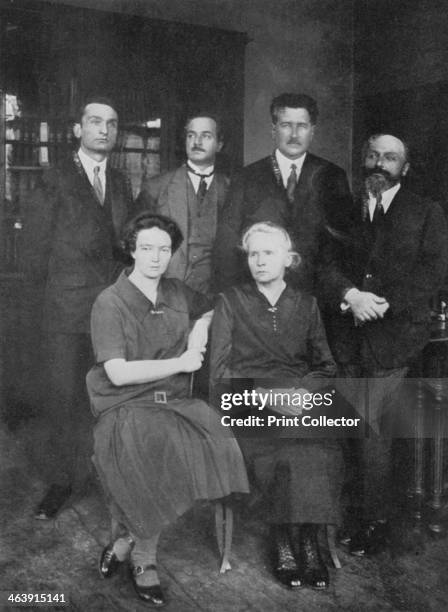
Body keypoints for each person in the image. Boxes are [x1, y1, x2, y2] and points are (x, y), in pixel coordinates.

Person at [87, 212, 249, 607]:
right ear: (131, 250)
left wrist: (201, 326)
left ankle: (126, 538)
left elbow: (216, 306)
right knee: (158, 448)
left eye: (164, 249)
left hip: (175, 402)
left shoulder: (178, 292)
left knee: (216, 445)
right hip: (125, 406)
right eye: (147, 249)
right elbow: (119, 373)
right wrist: (180, 363)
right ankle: (144, 560)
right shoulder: (109, 302)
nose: (156, 258)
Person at [327, 134, 448, 556]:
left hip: (393, 339)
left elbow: (431, 274)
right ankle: (341, 516)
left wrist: (379, 305)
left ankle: (373, 523)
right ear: (364, 160)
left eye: (391, 158)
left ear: (405, 167)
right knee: (345, 427)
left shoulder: (426, 211)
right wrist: (349, 296)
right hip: (345, 336)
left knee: (371, 429)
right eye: (374, 156)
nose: (380, 164)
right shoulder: (344, 208)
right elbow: (325, 264)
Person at [210, 222, 343, 591]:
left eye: (269, 253)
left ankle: (311, 541)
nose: (259, 261)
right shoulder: (230, 302)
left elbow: (327, 367)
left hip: (300, 404)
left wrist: (301, 394)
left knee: (319, 448)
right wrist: (266, 396)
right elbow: (220, 372)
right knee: (285, 452)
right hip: (249, 406)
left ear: (289, 259)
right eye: (253, 254)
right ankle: (284, 539)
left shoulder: (307, 305)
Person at [21, 95, 133, 520]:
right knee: (64, 397)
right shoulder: (54, 178)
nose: (104, 129)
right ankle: (61, 481)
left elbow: (123, 246)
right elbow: (33, 256)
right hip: (65, 313)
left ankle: (104, 472)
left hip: (111, 313)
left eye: (112, 122)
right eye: (95, 121)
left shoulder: (120, 181)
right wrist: (49, 307)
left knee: (106, 395)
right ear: (77, 130)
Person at [214, 92, 352, 293]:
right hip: (256, 296)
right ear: (273, 130)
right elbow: (227, 246)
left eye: (302, 126)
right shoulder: (246, 177)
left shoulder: (332, 176)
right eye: (286, 125)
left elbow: (342, 247)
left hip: (316, 298)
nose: (294, 135)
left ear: (312, 131)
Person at [135, 112, 228, 295]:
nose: (197, 142)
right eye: (191, 135)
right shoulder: (156, 187)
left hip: (214, 296)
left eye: (206, 136)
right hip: (165, 294)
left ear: (219, 144)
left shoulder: (231, 190)